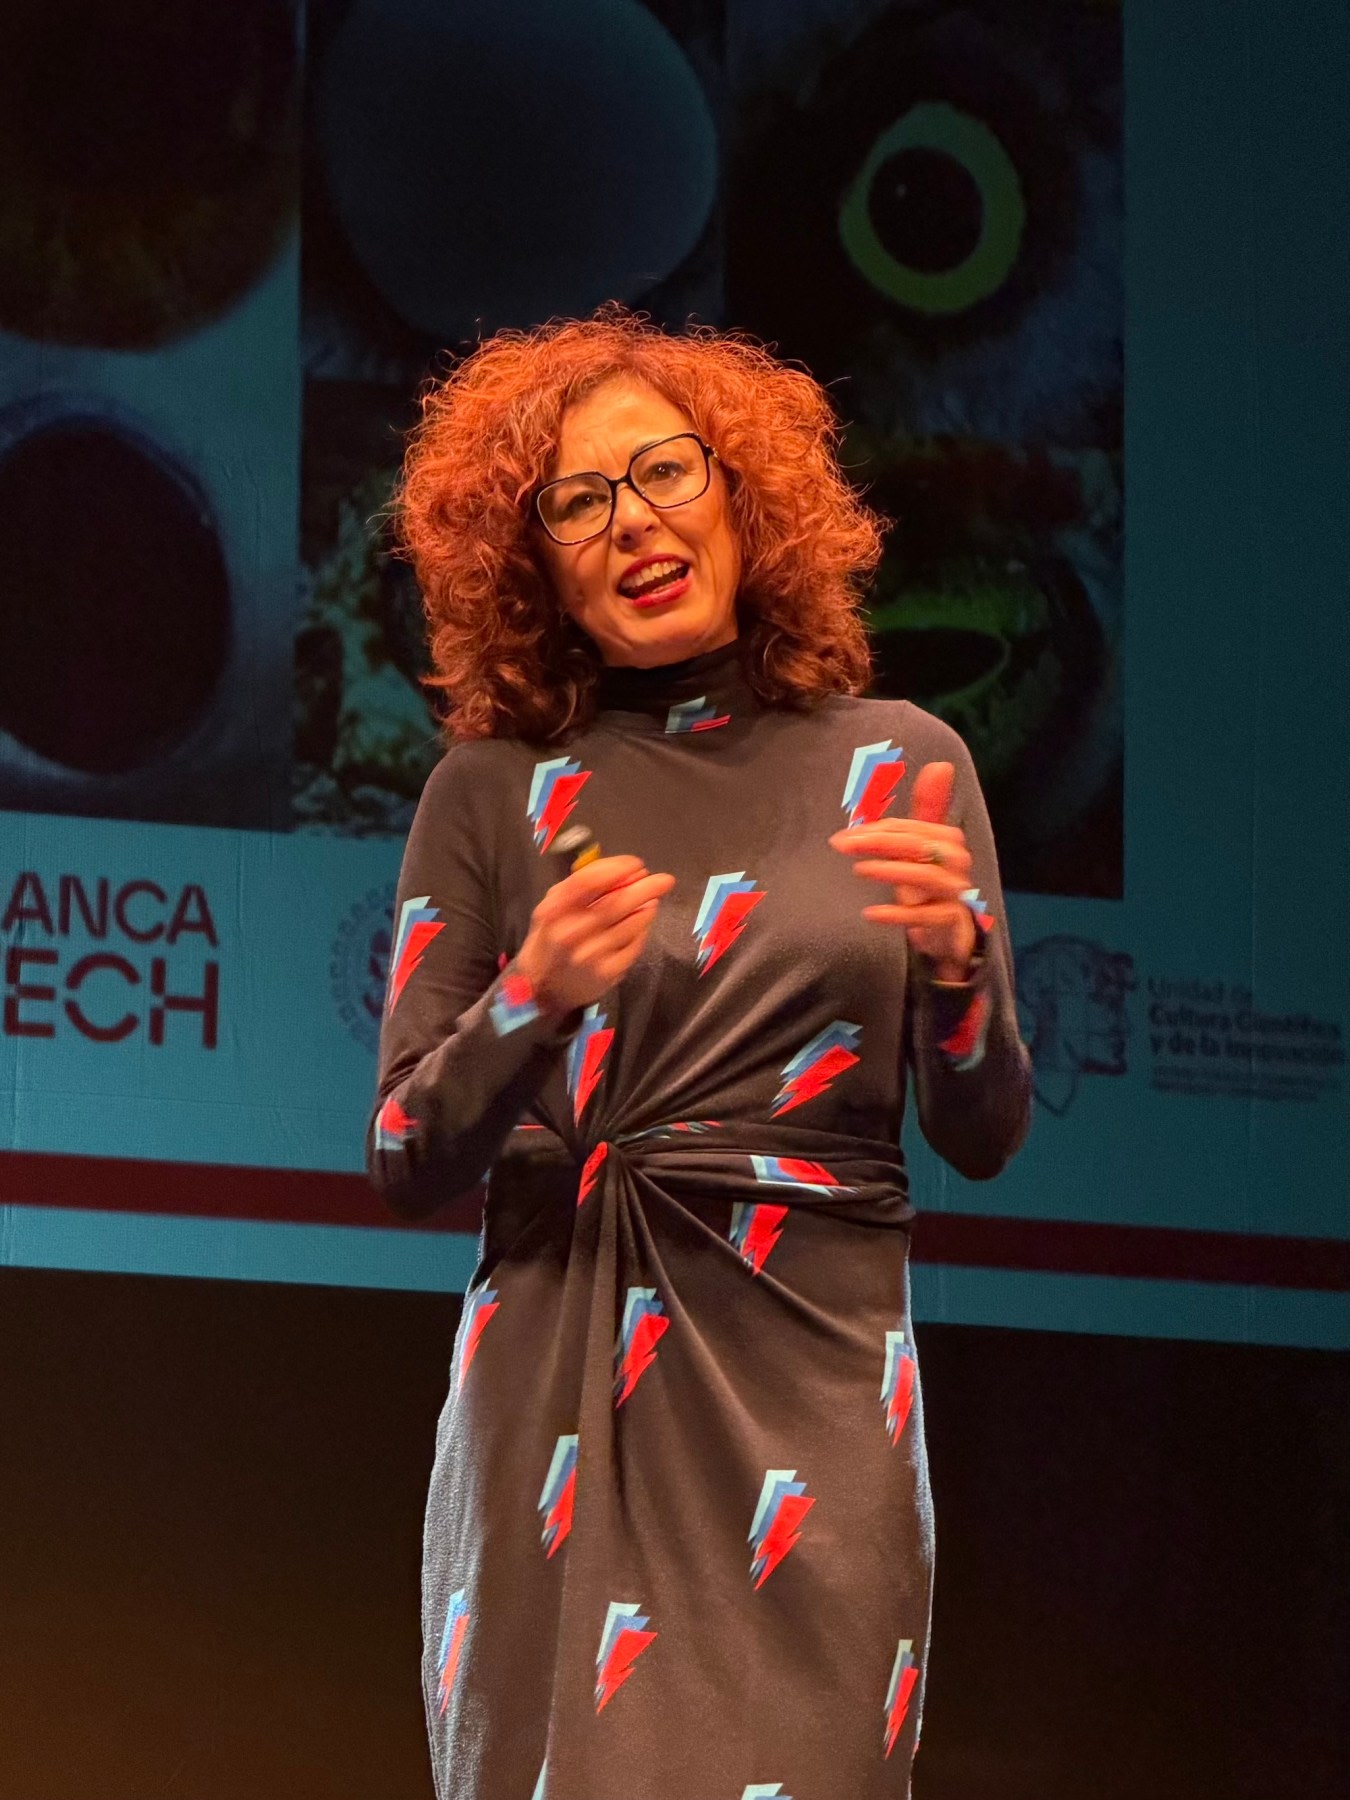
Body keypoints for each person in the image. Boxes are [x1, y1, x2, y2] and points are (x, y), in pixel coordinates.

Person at [367, 310, 1032, 1800]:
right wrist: (530, 998)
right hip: (561, 1368)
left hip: (814, 1391)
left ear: (744, 495)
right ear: (529, 563)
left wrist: (959, 980)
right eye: (578, 500)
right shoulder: (490, 796)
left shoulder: (907, 760)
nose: (634, 523)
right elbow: (405, 1156)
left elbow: (983, 1130)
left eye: (665, 473)